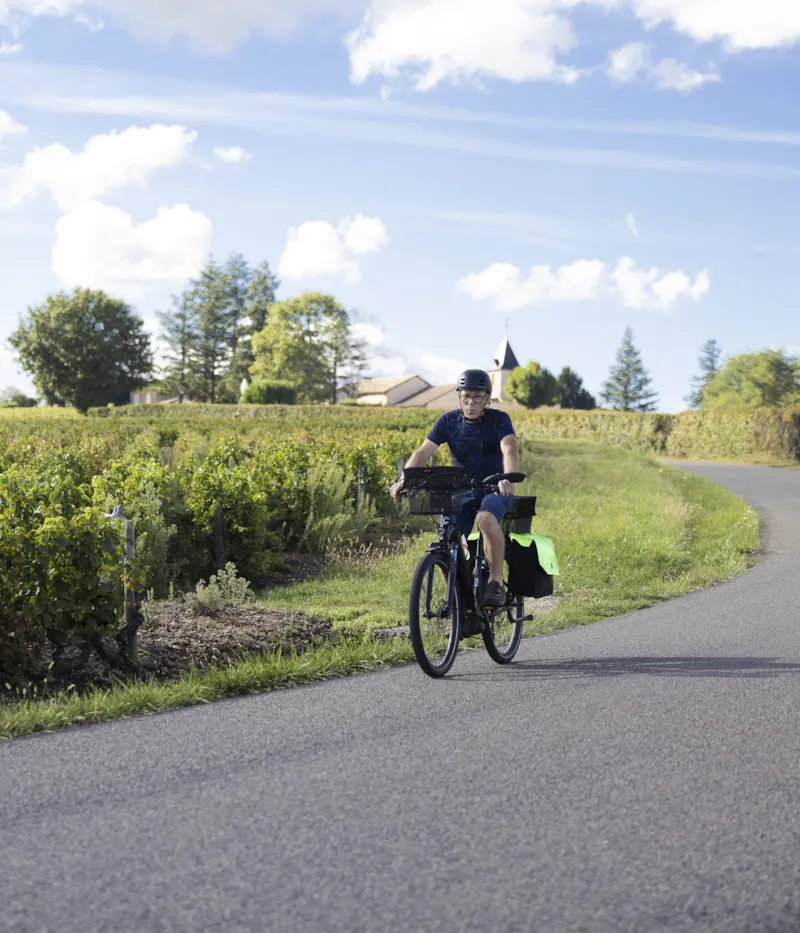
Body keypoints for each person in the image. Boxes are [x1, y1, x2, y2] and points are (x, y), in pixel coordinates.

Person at [390, 368, 520, 607]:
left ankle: (495, 582)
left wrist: (509, 479)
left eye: (477, 397)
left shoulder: (499, 419)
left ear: (487, 399)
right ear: (459, 397)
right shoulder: (448, 421)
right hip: (461, 490)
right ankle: (458, 602)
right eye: (466, 396)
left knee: (485, 518)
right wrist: (404, 480)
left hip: (495, 488)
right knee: (448, 536)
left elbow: (509, 448)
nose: (471, 402)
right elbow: (423, 452)